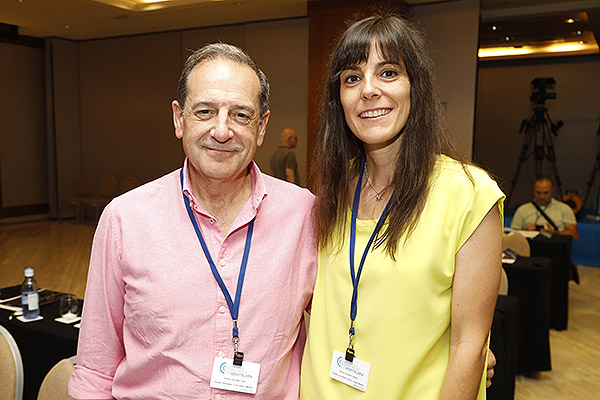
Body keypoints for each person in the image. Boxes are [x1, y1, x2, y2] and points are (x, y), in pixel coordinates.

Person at [68, 43, 317, 399]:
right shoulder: (125, 219)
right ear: (179, 119)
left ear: (261, 127)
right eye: (205, 111)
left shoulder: (305, 215)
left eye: (240, 115)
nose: (221, 131)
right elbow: (96, 368)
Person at [300, 14, 504, 399]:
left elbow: (469, 346)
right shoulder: (331, 191)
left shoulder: (467, 195)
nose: (369, 90)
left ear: (416, 87)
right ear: (338, 99)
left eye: (388, 73)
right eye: (352, 78)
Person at [511, 177, 578, 239]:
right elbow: (511, 235)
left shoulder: (564, 209)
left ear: (552, 191)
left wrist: (554, 233)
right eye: (538, 193)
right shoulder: (522, 209)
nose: (542, 196)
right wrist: (526, 231)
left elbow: (574, 235)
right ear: (533, 191)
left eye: (546, 193)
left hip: (554, 245)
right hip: (529, 245)